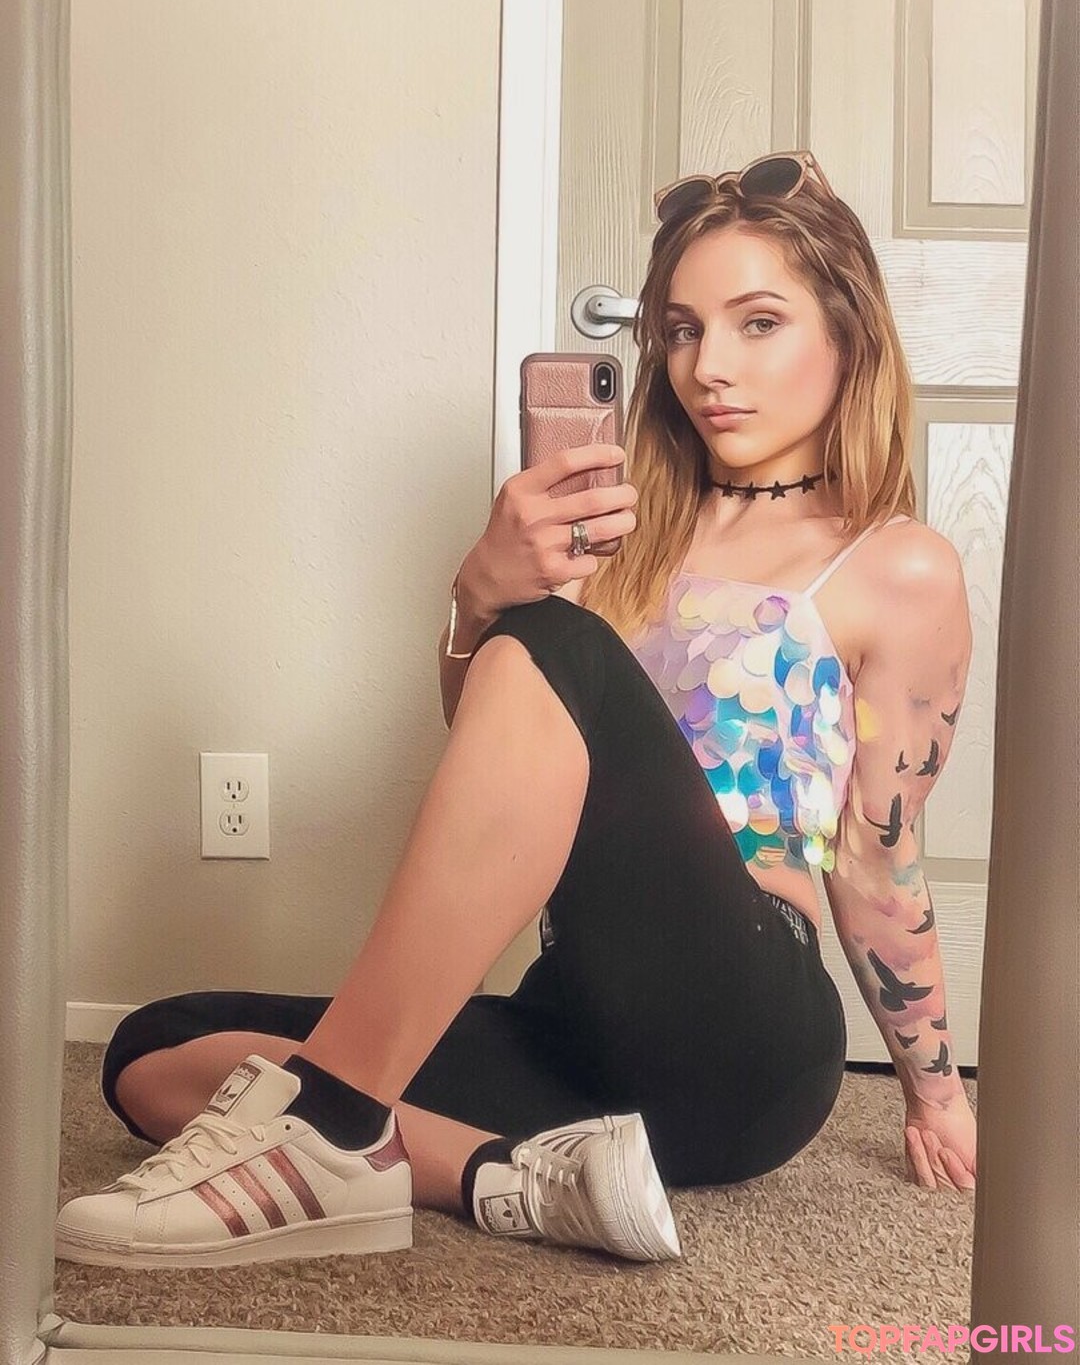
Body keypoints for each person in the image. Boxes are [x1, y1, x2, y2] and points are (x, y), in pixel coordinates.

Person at [56, 150, 978, 1272]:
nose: (709, 367)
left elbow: (879, 858)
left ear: (848, 333)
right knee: (155, 1051)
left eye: (758, 323)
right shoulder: (614, 525)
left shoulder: (897, 566)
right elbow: (501, 750)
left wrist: (937, 1093)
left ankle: (331, 1129)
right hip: (569, 1022)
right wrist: (480, 590)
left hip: (743, 1032)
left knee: (554, 640)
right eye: (681, 330)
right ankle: (516, 1179)